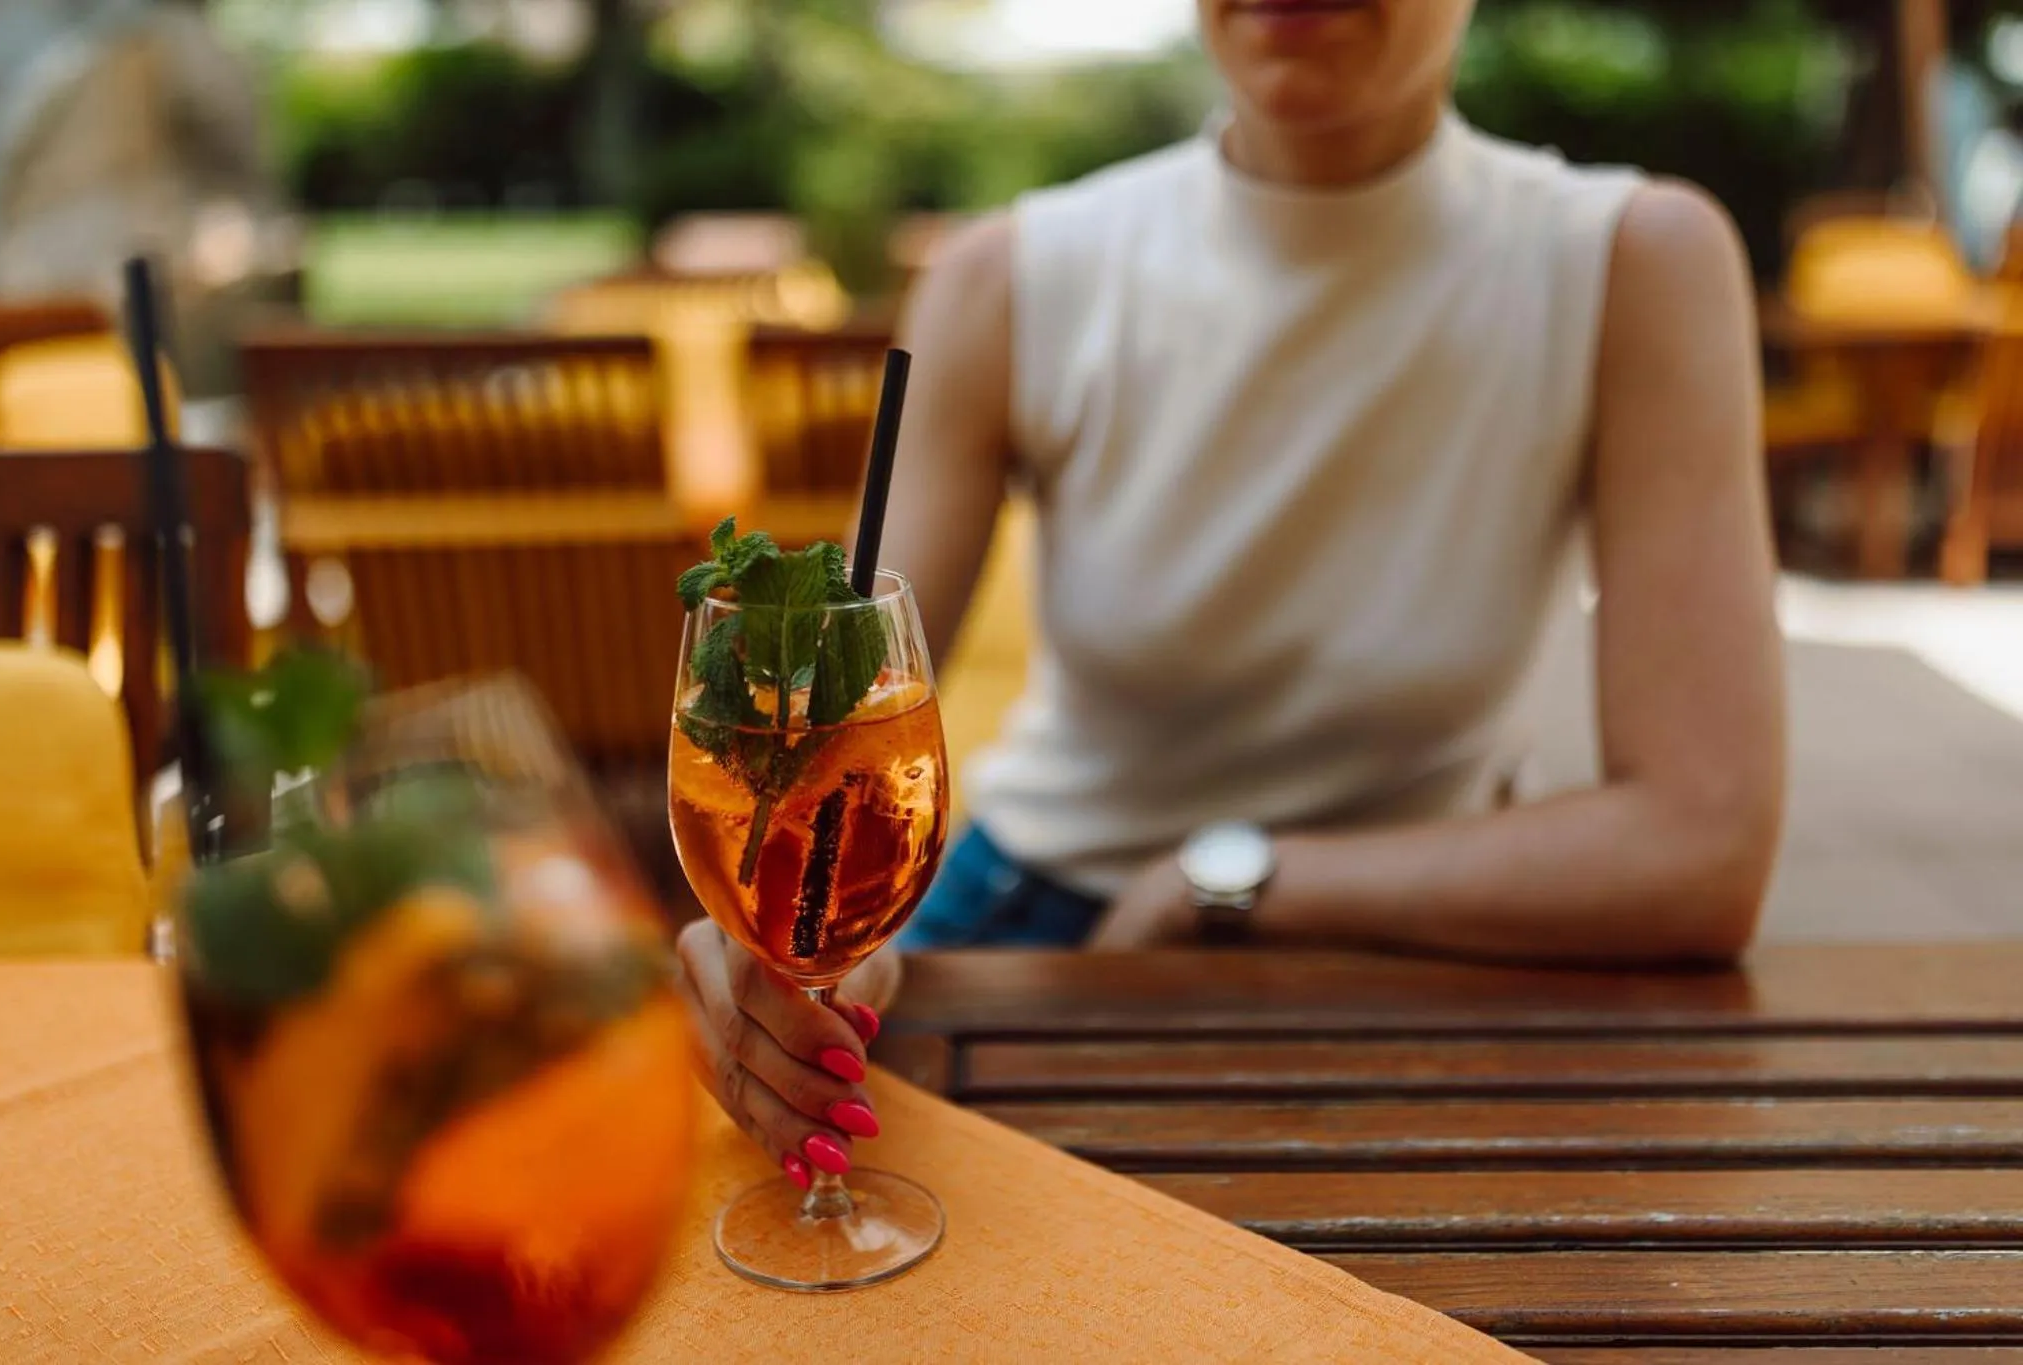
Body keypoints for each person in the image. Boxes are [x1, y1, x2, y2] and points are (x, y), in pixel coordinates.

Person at [678, 0, 1785, 1175]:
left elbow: (1698, 849)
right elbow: (840, 739)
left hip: (1436, 936)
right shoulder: (1008, 277)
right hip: (1027, 928)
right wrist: (807, 952)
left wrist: (1229, 882)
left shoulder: (1626, 260)